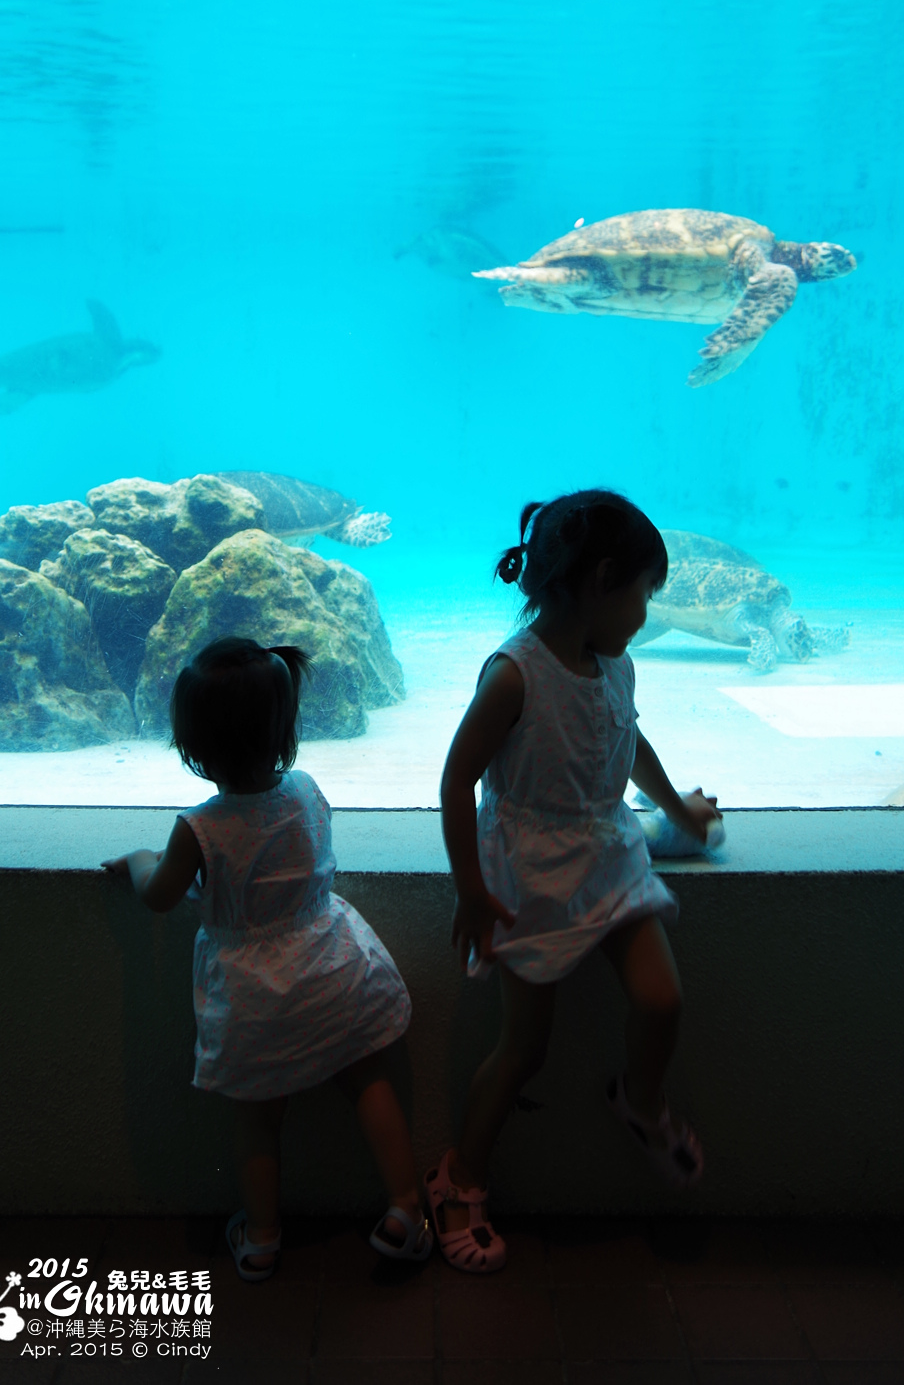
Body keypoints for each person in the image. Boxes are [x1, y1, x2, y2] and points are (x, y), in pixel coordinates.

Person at [432, 490, 720, 1273]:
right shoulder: (515, 675)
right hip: (528, 876)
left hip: (610, 853)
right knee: (522, 1051)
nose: (645, 613)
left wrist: (677, 811)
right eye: (645, 595)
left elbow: (628, 737)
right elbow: (458, 781)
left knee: (663, 999)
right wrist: (469, 887)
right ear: (600, 580)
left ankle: (642, 1101)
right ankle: (462, 1174)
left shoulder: (615, 663)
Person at [103, 636, 430, 1280]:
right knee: (368, 1080)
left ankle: (260, 1239)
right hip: (330, 969)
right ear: (284, 727)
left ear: (190, 744)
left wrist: (139, 859)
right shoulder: (305, 790)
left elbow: (163, 895)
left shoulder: (198, 827)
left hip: (253, 996)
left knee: (257, 1121)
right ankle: (404, 1209)